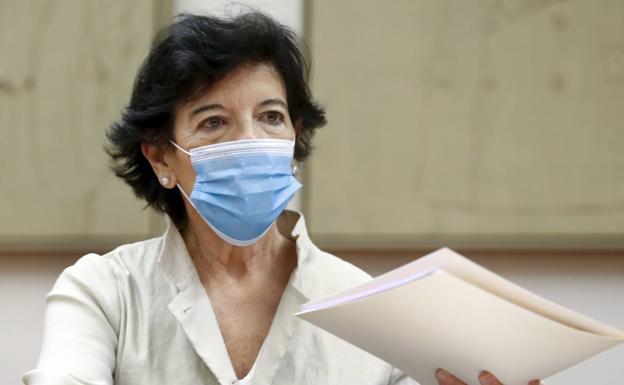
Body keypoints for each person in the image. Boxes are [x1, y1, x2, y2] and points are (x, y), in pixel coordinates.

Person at [23, 11, 540, 385]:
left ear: (295, 137)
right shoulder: (105, 293)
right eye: (214, 122)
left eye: (270, 116)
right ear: (161, 157)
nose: (249, 141)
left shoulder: (369, 306)